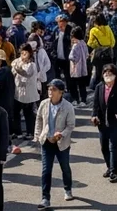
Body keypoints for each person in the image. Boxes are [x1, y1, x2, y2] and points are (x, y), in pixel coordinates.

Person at [34, 79, 76, 208]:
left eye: (54, 89)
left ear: (61, 92)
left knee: (65, 167)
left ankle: (67, 188)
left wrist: (61, 134)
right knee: (46, 170)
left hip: (61, 142)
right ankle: (45, 198)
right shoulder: (44, 104)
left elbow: (70, 126)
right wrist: (37, 135)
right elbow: (39, 119)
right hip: (47, 141)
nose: (50, 92)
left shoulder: (68, 106)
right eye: (49, 89)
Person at [91, 64, 117, 183]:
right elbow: (95, 103)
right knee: (104, 147)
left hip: (114, 122)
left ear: (115, 76)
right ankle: (109, 166)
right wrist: (94, 115)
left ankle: (113, 172)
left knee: (113, 147)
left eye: (110, 73)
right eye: (105, 73)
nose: (107, 75)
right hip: (102, 122)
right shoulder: (99, 87)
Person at [12, 43, 42, 139]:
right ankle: (17, 132)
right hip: (18, 92)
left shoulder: (31, 65)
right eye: (22, 53)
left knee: (28, 113)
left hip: (28, 93)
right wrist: (17, 65)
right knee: (16, 112)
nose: (23, 55)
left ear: (30, 53)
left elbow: (26, 74)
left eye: (25, 53)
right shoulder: (17, 61)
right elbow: (13, 69)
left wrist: (18, 67)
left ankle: (30, 132)